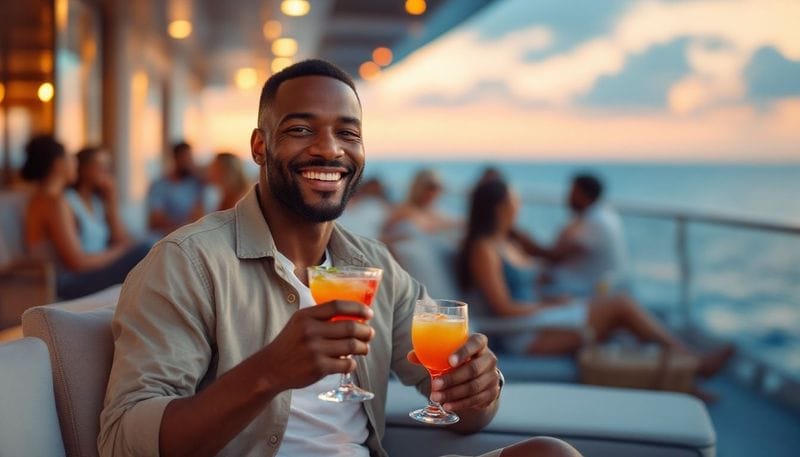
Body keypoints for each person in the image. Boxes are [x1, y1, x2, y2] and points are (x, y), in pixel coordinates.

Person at [98, 60, 582, 457]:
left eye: (347, 134)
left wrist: (478, 387)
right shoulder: (189, 262)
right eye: (301, 129)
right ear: (260, 146)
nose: (329, 149)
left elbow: (461, 412)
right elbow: (123, 441)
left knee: (550, 454)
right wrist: (268, 372)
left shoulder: (374, 264)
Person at [456, 178, 733, 370]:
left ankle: (684, 375)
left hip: (538, 319)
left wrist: (551, 295)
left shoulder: (505, 242)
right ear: (500, 207)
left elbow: (529, 280)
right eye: (515, 200)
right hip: (523, 335)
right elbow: (503, 308)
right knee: (620, 305)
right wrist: (551, 304)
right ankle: (694, 363)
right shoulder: (484, 249)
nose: (520, 205)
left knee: (618, 315)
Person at [21, 137, 150, 299]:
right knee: (146, 250)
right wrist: (123, 249)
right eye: (70, 158)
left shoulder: (50, 199)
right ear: (58, 164)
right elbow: (77, 262)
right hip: (67, 284)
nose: (75, 163)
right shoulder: (52, 202)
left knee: (147, 248)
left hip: (76, 278)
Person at [539, 174, 629, 298]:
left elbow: (556, 256)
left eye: (572, 192)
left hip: (586, 292)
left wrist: (524, 242)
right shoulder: (598, 215)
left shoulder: (597, 221)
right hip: (586, 287)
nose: (567, 197)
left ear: (584, 195)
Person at [380, 168, 460, 245]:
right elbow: (382, 236)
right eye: (430, 188)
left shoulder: (435, 212)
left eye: (437, 188)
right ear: (418, 187)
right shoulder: (403, 209)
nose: (433, 193)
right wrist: (399, 241)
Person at [147, 141, 205, 235]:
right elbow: (155, 219)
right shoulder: (160, 185)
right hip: (165, 235)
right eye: (185, 158)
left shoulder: (196, 183)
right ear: (175, 158)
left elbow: (200, 215)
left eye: (190, 157)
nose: (188, 162)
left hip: (191, 234)